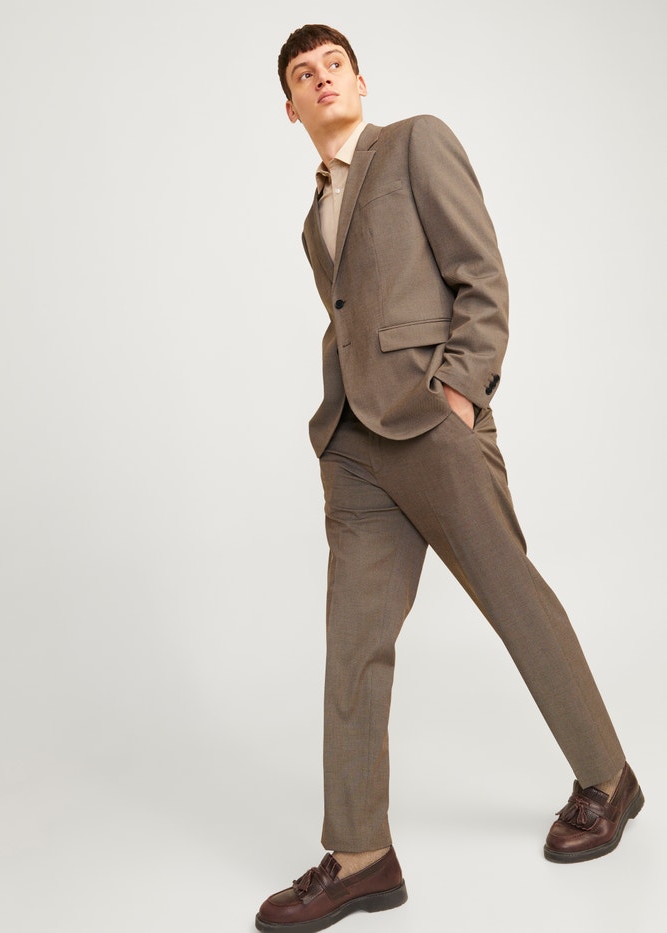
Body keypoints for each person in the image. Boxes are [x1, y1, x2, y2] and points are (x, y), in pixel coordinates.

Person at [255, 24, 644, 933]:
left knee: (513, 598)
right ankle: (361, 855)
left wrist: (460, 394)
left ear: (360, 80)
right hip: (354, 446)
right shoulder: (313, 218)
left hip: (432, 421)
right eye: (303, 75)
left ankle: (608, 778)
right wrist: (337, 430)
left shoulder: (414, 143)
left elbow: (480, 273)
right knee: (354, 644)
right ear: (289, 108)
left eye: (334, 65)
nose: (322, 79)